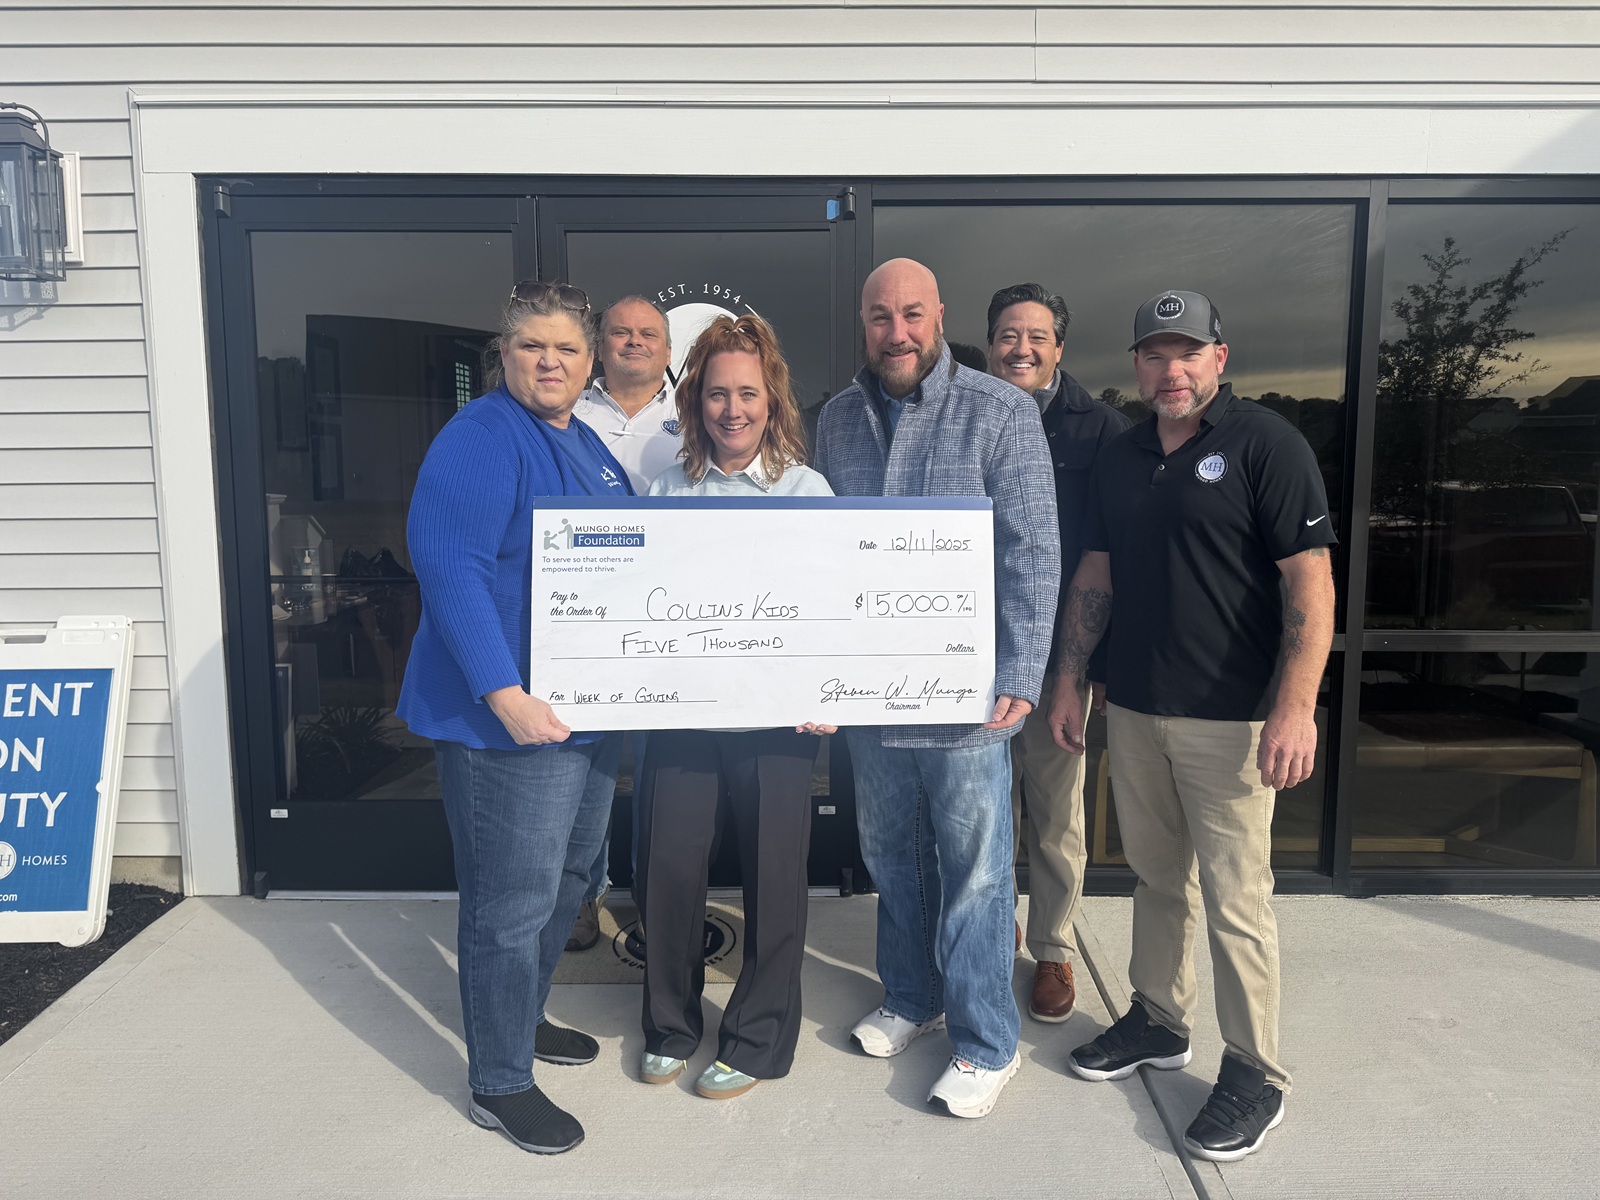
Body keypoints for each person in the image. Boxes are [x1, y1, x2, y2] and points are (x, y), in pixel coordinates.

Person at [1048, 290, 1335, 1162]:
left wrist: (1295, 706)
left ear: (1219, 356)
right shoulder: (1123, 453)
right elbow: (1095, 574)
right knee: (1156, 878)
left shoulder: (1266, 444)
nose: (1170, 370)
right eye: (1153, 354)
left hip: (1234, 719)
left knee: (1237, 901)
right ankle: (1160, 1019)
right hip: (1136, 709)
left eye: (1187, 352)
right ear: (1136, 365)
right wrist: (1071, 678)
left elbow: (1310, 582)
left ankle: (1256, 1072)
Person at [814, 258, 1059, 1119]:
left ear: (939, 316)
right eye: (881, 317)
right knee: (891, 857)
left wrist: (1022, 671)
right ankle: (913, 996)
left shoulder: (1000, 411)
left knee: (977, 875)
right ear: (864, 323)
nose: (898, 333)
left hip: (968, 699)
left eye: (912, 314)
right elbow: (819, 554)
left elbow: (1033, 548)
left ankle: (988, 1041)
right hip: (872, 699)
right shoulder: (836, 420)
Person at [398, 280, 633, 1155]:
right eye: (532, 346)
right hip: (510, 722)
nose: (550, 361)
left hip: (584, 716)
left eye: (567, 348)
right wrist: (504, 694)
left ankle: (521, 1020)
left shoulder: (588, 445)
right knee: (509, 902)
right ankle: (498, 1081)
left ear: (590, 361)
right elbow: (447, 562)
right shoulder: (483, 435)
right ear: (504, 355)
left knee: (570, 881)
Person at [633, 314, 835, 1099]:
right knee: (668, 869)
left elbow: (832, 606)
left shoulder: (806, 490)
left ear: (771, 399)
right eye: (717, 394)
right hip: (684, 717)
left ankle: (759, 1038)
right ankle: (669, 1025)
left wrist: (827, 687)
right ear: (695, 402)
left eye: (747, 393)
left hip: (777, 722)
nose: (732, 409)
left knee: (775, 879)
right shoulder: (667, 488)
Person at [985, 283, 1130, 1022]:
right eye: (1009, 335)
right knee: (984, 809)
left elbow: (1110, 559)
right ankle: (994, 926)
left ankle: (1053, 948)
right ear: (990, 345)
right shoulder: (966, 416)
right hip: (973, 655)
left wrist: (1087, 671)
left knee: (1055, 813)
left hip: (1055, 664)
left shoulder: (1099, 430)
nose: (1021, 349)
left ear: (1059, 348)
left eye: (1036, 337)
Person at [567, 295, 683, 952]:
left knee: (664, 774)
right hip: (588, 621)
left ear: (667, 350)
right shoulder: (567, 412)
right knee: (590, 768)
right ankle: (584, 896)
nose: (633, 342)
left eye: (647, 334)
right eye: (619, 333)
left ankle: (654, 902)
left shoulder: (694, 416)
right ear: (599, 346)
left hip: (670, 620)